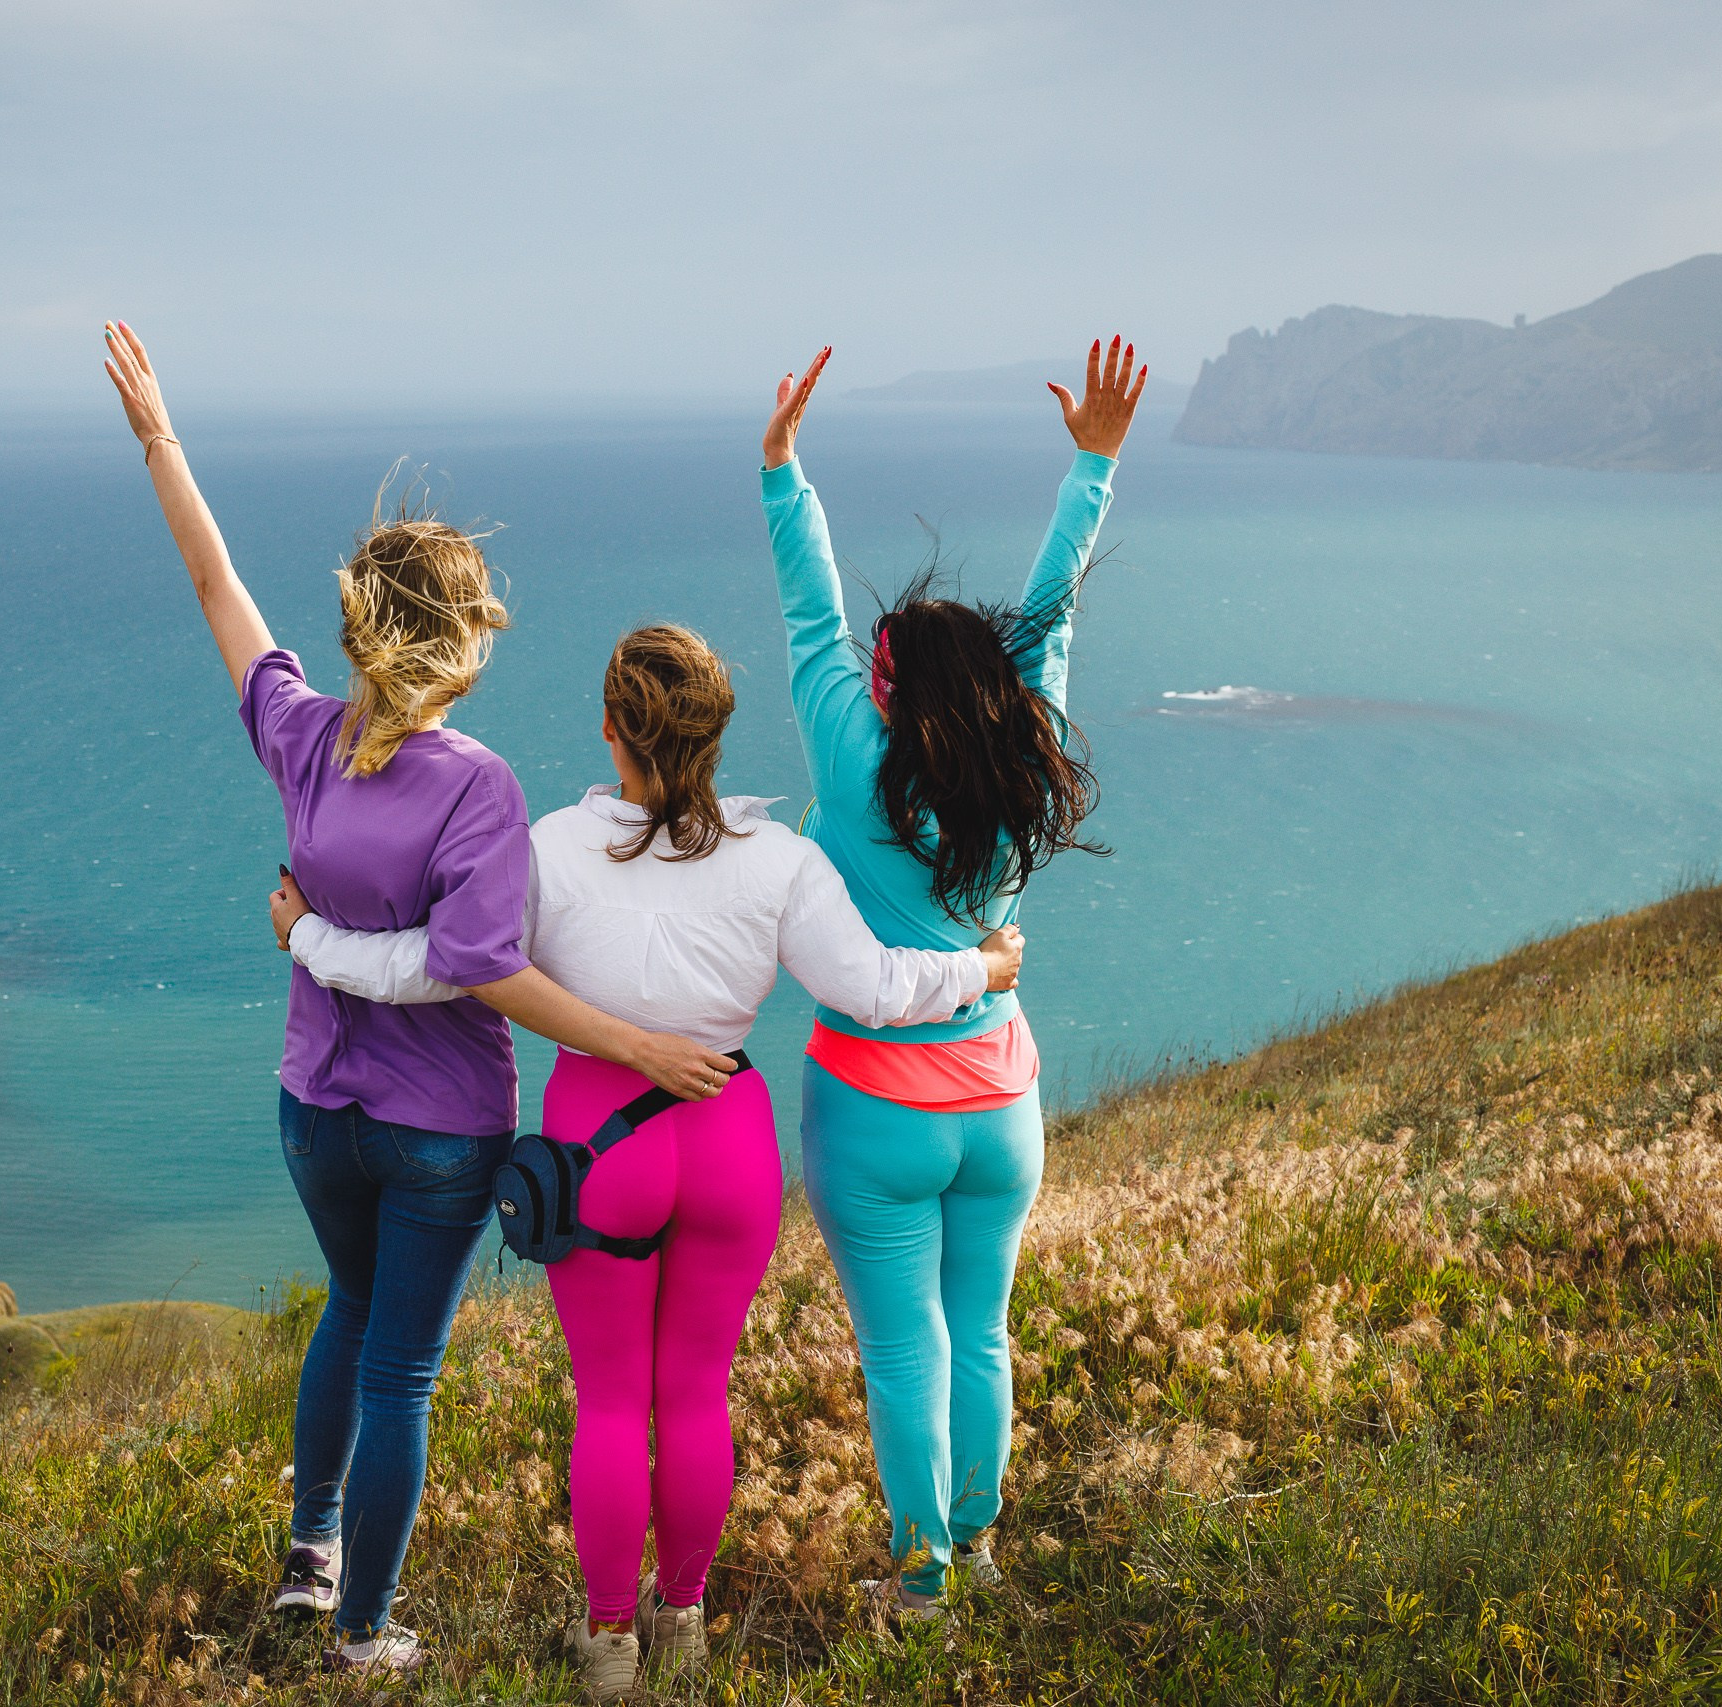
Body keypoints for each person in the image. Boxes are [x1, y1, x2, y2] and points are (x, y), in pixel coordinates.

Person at [100, 323, 742, 1675]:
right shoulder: (479, 785)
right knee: (401, 1365)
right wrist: (636, 1041)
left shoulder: (301, 737)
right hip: (441, 1122)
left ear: (355, 629)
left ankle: (309, 1557)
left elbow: (215, 581)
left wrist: (160, 434)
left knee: (347, 1305)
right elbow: (485, 967)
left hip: (312, 1108)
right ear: (464, 647)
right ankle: (359, 1634)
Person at [271, 623, 1024, 1701]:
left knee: (612, 1401)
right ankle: (687, 1621)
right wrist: (978, 966)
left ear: (613, 729)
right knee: (697, 1394)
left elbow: (442, 969)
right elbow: (871, 989)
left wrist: (311, 940)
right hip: (725, 1134)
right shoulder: (781, 861)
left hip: (595, 1146)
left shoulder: (547, 851)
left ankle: (610, 1643)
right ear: (716, 734)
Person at [757, 337, 1144, 1617]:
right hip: (1004, 1103)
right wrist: (1091, 467)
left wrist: (782, 471)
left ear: (886, 691)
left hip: (875, 1108)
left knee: (902, 1350)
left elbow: (811, 616)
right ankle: (972, 1549)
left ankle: (920, 1583)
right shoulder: (1019, 764)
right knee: (979, 1331)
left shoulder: (852, 764)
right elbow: (1052, 622)